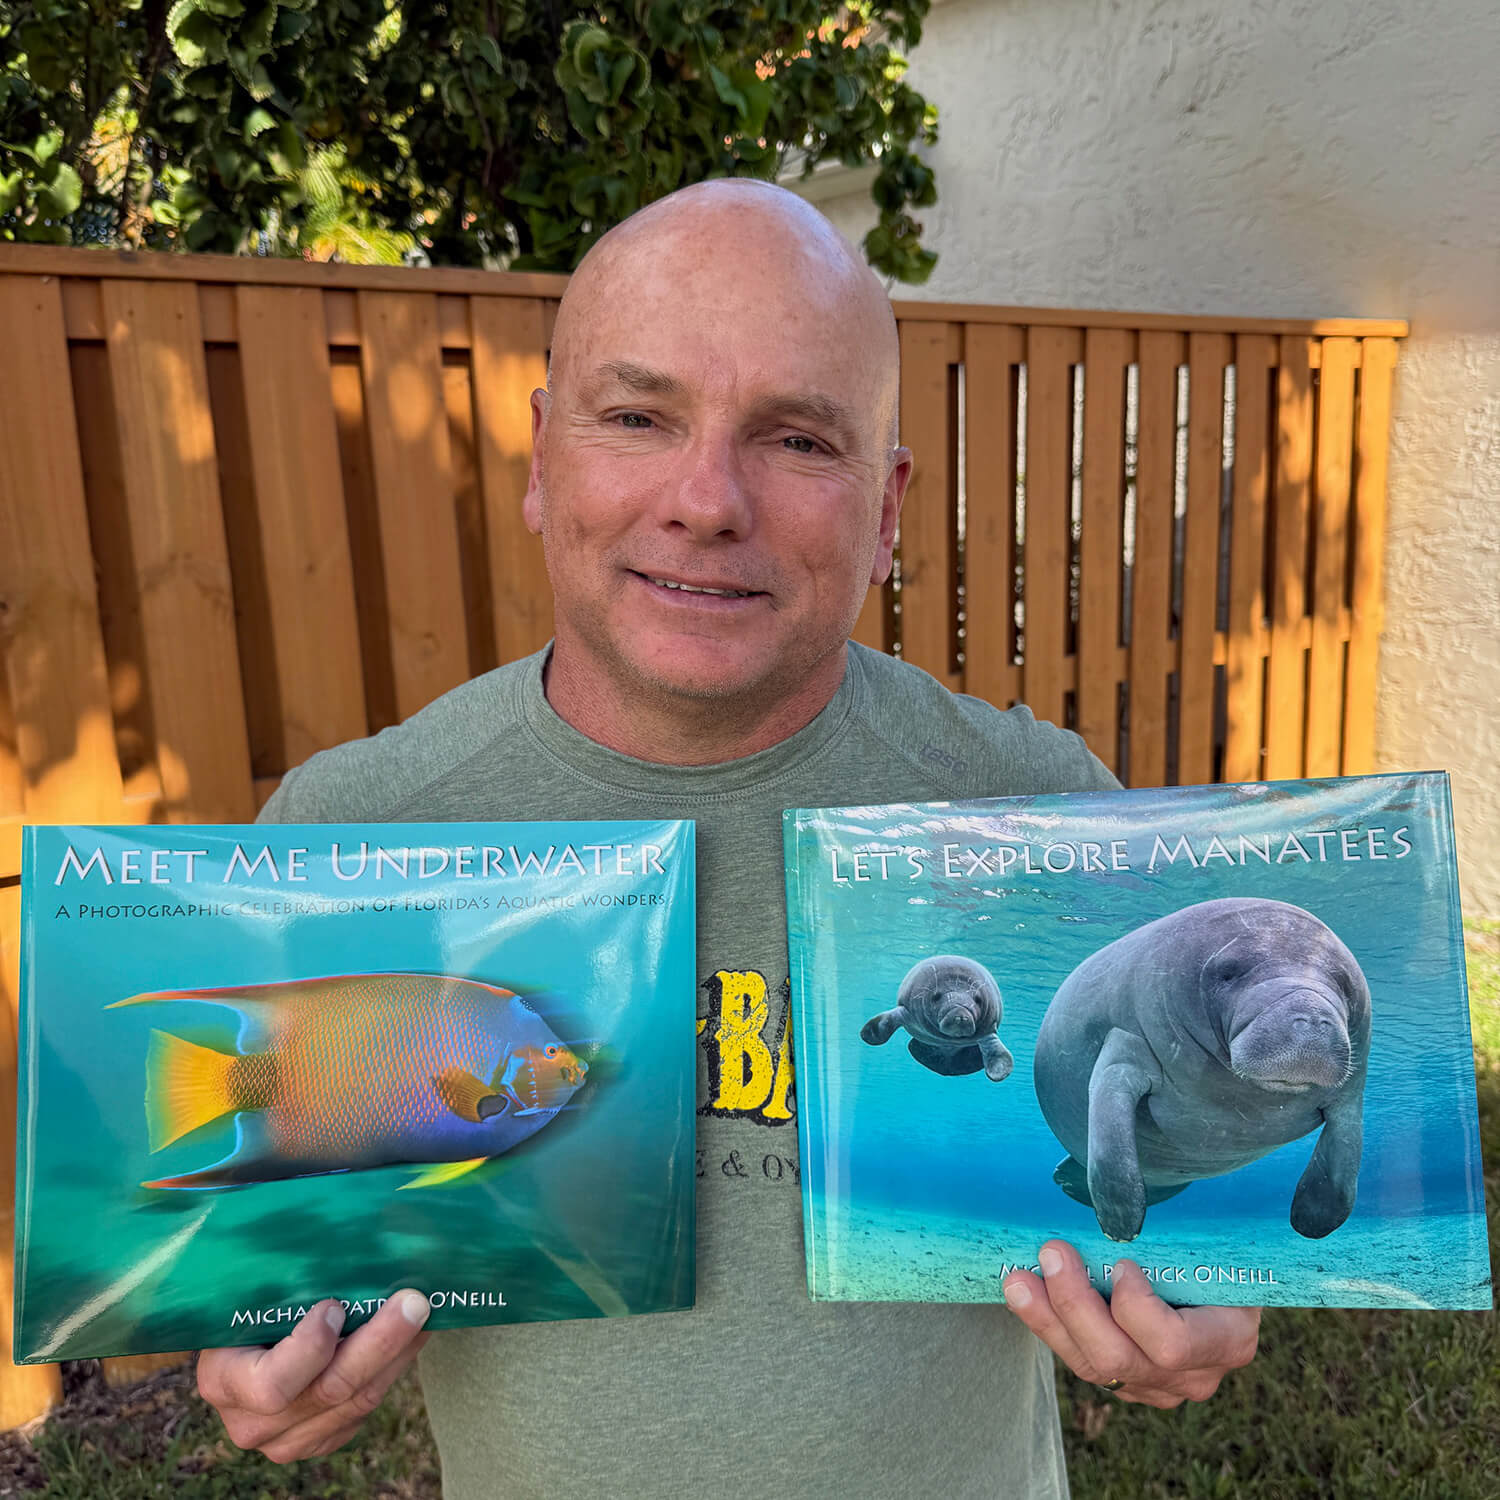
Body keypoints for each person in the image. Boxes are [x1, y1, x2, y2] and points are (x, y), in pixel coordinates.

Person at [197, 180, 1260, 1498]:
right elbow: (265, 1265)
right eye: (638, 417)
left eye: (798, 440)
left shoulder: (1039, 812)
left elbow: (1186, 1202)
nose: (707, 500)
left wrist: (1211, 1296)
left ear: (885, 508)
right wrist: (263, 1358)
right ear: (541, 459)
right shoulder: (350, 835)